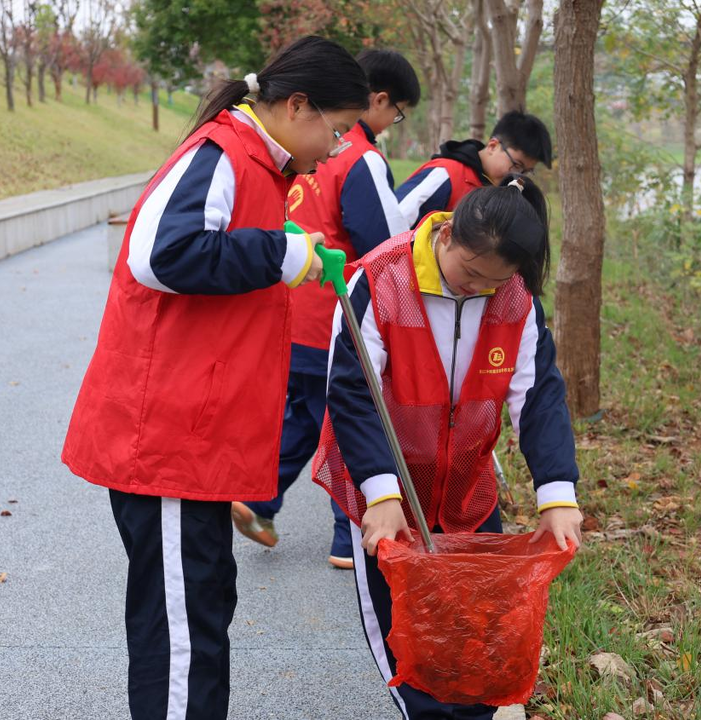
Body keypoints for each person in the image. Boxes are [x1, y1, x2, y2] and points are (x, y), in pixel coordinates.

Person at [60, 36, 370, 720]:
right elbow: (158, 254)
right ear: (297, 106)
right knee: (182, 634)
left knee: (201, 609)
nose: (340, 148)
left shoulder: (261, 166)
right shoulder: (222, 154)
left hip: (194, 446)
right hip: (165, 445)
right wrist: (281, 254)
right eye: (339, 129)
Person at [313, 178, 583, 719]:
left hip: (468, 495)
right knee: (408, 649)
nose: (475, 288)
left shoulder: (517, 299)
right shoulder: (380, 280)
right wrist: (381, 493)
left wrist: (558, 495)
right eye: (468, 272)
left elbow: (538, 399)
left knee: (478, 643)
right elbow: (351, 392)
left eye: (493, 281)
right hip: (388, 494)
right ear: (448, 235)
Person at [231, 48, 422, 571]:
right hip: (335, 321)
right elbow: (388, 247)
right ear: (373, 100)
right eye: (397, 111)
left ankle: (262, 499)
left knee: (306, 411)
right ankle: (349, 537)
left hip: (287, 316)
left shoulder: (291, 150)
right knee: (349, 417)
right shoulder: (358, 158)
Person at [396, 111, 554, 228]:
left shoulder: (501, 194)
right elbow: (394, 221)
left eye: (526, 171)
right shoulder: (447, 174)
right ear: (493, 146)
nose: (517, 176)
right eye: (517, 165)